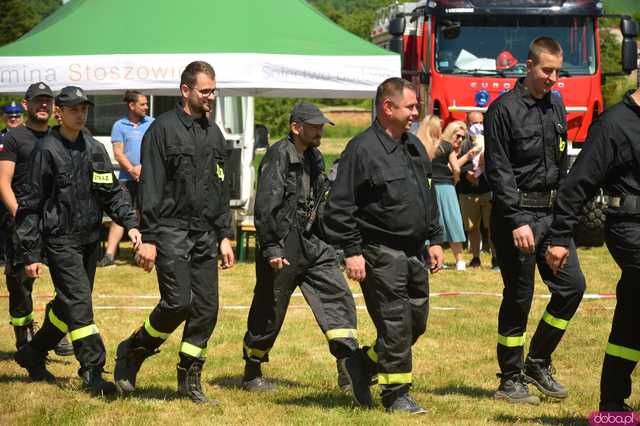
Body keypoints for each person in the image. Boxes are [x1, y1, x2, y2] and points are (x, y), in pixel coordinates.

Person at [115, 61, 235, 404]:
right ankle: (135, 350)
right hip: (169, 229)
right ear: (186, 91)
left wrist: (223, 234)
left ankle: (189, 374)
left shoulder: (214, 134)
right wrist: (149, 238)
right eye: (206, 90)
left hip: (203, 232)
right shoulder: (162, 130)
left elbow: (220, 188)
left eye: (214, 90)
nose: (212, 96)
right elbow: (151, 184)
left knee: (207, 308)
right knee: (178, 303)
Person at [323, 77, 444, 414]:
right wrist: (352, 251)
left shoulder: (414, 146)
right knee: (395, 323)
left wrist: (435, 238)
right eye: (410, 106)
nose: (415, 113)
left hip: (414, 250)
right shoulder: (361, 150)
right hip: (378, 251)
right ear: (387, 108)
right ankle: (396, 394)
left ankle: (361, 365)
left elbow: (427, 195)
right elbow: (339, 207)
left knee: (415, 322)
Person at [240, 102, 372, 407]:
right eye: (314, 126)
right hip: (284, 244)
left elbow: (321, 201)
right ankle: (252, 371)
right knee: (268, 311)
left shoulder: (314, 157)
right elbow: (266, 204)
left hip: (314, 244)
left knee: (338, 297)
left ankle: (348, 367)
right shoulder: (278, 155)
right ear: (296, 127)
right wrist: (272, 246)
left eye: (321, 125)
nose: (320, 130)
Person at [13, 86, 140, 396]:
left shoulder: (96, 149)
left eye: (84, 109)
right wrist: (30, 253)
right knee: (81, 303)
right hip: (59, 241)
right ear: (60, 113)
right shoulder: (45, 151)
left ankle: (32, 351)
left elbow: (111, 192)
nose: (80, 114)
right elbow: (29, 205)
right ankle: (93, 370)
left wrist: (131, 223)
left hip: (89, 240)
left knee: (68, 303)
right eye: (74, 109)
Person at [484, 36, 585, 404]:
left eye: (558, 71)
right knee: (519, 297)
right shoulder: (502, 111)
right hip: (518, 218)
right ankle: (510, 379)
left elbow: (562, 167)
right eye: (546, 70)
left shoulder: (556, 108)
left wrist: (564, 221)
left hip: (551, 216)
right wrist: (515, 219)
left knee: (572, 287)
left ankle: (537, 361)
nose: (553, 78)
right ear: (528, 67)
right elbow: (499, 171)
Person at [546, 87, 640, 412]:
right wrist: (559, 238)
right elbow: (578, 185)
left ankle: (612, 405)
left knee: (632, 313)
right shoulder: (612, 125)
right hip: (629, 226)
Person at [0, 82, 74, 356]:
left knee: (66, 279)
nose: (43, 105)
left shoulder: (60, 137)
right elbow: (3, 183)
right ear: (25, 105)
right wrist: (20, 217)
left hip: (56, 222)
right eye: (37, 101)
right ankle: (24, 333)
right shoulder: (14, 138)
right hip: (21, 220)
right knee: (20, 282)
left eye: (48, 101)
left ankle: (55, 330)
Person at [97, 90, 153, 267]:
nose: (147, 107)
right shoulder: (119, 126)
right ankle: (109, 255)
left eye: (146, 103)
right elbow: (118, 154)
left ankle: (143, 254)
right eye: (143, 104)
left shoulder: (153, 123)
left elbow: (157, 149)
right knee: (120, 216)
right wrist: (133, 170)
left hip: (149, 179)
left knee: (148, 216)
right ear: (131, 105)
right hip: (126, 179)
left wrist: (145, 169)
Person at [457, 112, 498, 269]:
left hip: (487, 190)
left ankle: (495, 257)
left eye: (481, 122)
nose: (478, 126)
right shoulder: (461, 141)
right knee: (472, 227)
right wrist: (466, 173)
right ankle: (475, 258)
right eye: (474, 122)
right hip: (467, 192)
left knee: (492, 227)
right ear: (467, 123)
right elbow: (454, 160)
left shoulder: (491, 140)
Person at [431, 120, 474, 271]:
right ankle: (459, 261)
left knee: (434, 222)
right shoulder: (447, 147)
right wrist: (467, 158)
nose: (460, 140)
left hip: (430, 186)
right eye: (458, 135)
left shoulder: (433, 144)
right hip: (445, 186)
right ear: (450, 132)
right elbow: (453, 168)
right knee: (453, 222)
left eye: (462, 137)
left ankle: (433, 260)